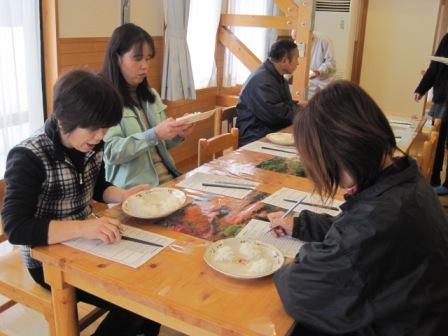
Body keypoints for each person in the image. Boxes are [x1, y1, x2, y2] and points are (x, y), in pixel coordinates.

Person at [269, 80, 448, 335]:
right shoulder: (404, 180)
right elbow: (358, 235)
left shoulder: (375, 220)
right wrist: (300, 224)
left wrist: (308, 255)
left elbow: (300, 288)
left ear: (341, 152)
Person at [1, 70, 161, 336]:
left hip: (87, 246)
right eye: (93, 128)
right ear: (65, 119)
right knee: (136, 302)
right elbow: (16, 228)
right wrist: (82, 228)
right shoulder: (28, 156)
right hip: (47, 263)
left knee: (150, 285)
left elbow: (96, 186)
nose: (100, 137)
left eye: (105, 128)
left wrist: (122, 195)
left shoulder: (89, 144)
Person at [101, 23, 192, 189]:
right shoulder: (105, 100)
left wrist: (178, 133)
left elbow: (164, 144)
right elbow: (111, 153)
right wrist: (154, 134)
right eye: (137, 58)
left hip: (169, 180)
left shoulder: (151, 95)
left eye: (148, 58)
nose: (145, 65)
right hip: (134, 191)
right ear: (117, 58)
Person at [235, 39, 300, 147]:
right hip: (255, 136)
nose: (298, 62)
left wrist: (297, 105)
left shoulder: (276, 76)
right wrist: (304, 113)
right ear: (284, 60)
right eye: (296, 58)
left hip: (269, 130)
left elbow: (283, 104)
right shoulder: (261, 80)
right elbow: (277, 115)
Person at [414, 33, 448, 194]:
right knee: (438, 140)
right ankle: (434, 179)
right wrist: (421, 89)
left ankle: (447, 184)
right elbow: (434, 67)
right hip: (443, 98)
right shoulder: (447, 38)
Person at [291, 30, 336, 98]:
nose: (297, 42)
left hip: (325, 81)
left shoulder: (324, 40)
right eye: (295, 39)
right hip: (309, 81)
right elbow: (294, 61)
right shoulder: (297, 43)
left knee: (325, 104)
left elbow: (331, 63)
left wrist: (318, 72)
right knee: (309, 103)